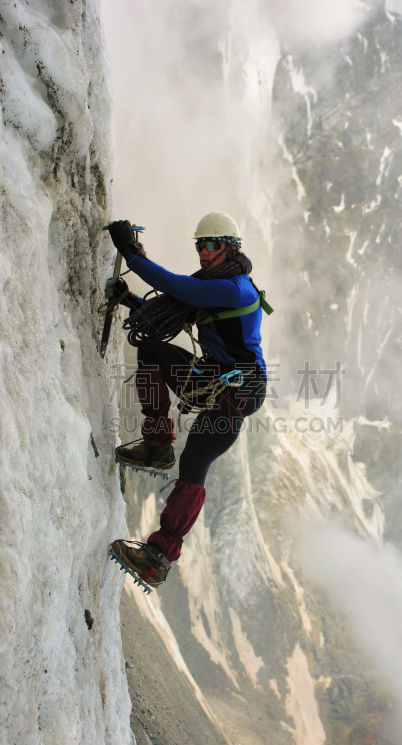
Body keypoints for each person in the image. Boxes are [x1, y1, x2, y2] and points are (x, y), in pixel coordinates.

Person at [107, 212, 267, 589]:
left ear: (230, 248)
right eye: (199, 245)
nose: (203, 252)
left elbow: (179, 288)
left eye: (211, 244)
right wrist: (130, 299)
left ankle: (158, 558)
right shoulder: (215, 284)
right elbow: (173, 310)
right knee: (151, 350)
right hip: (216, 377)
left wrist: (130, 253)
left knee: (195, 461)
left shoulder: (235, 288)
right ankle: (157, 444)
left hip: (241, 389)